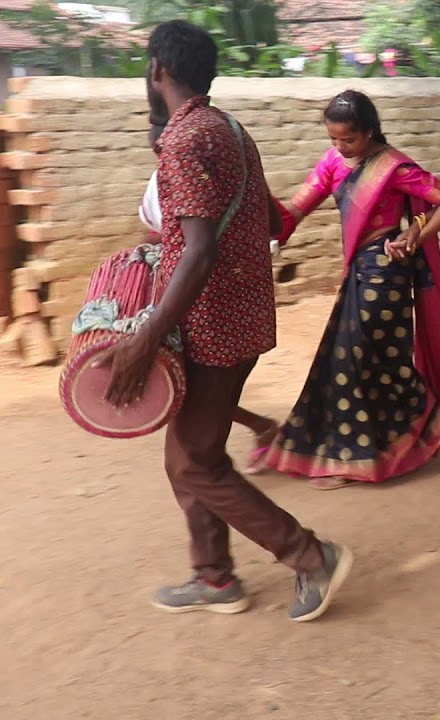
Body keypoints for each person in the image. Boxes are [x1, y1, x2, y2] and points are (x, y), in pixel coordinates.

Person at [98, 20, 351, 622]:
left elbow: (198, 252)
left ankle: (312, 557)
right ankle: (214, 577)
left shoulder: (186, 143)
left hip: (211, 330)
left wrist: (146, 337)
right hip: (237, 320)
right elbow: (267, 219)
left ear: (158, 69)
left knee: (193, 461)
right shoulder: (231, 130)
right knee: (188, 455)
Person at [261, 90, 440, 491]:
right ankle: (425, 414)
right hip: (357, 272)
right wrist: (262, 213)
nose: (340, 146)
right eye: (334, 139)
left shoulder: (393, 167)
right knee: (377, 362)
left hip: (387, 272)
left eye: (348, 140)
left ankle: (355, 456)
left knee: (353, 360)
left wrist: (415, 231)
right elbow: (297, 209)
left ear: (369, 132)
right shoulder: (333, 162)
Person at [140, 117, 295, 475]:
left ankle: (291, 533)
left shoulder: (179, 171)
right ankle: (257, 432)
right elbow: (275, 223)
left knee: (196, 446)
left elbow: (190, 247)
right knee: (207, 410)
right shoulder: (236, 160)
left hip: (208, 314)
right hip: (246, 310)